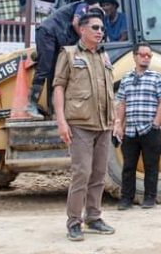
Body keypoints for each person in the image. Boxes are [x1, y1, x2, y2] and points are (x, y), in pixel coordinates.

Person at [53, 12, 117, 242]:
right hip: (80, 124)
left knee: (99, 174)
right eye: (95, 27)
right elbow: (58, 87)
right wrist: (61, 121)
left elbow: (110, 91)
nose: (100, 31)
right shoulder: (69, 54)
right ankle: (74, 222)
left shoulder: (104, 56)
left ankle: (94, 216)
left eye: (101, 28)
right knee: (82, 173)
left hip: (104, 124)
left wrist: (115, 121)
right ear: (82, 30)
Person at [26, 0, 103, 120]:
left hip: (56, 38)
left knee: (57, 73)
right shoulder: (83, 6)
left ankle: (54, 110)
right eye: (96, 9)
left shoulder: (82, 18)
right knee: (44, 68)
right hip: (48, 33)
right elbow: (75, 23)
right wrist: (85, 39)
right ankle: (31, 105)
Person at [114, 42, 161, 210]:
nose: (146, 58)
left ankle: (150, 198)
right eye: (143, 55)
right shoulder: (126, 78)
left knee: (151, 166)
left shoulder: (157, 77)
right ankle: (126, 199)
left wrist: (156, 124)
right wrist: (118, 125)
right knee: (128, 166)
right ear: (134, 56)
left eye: (149, 56)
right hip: (131, 130)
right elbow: (122, 103)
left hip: (150, 130)